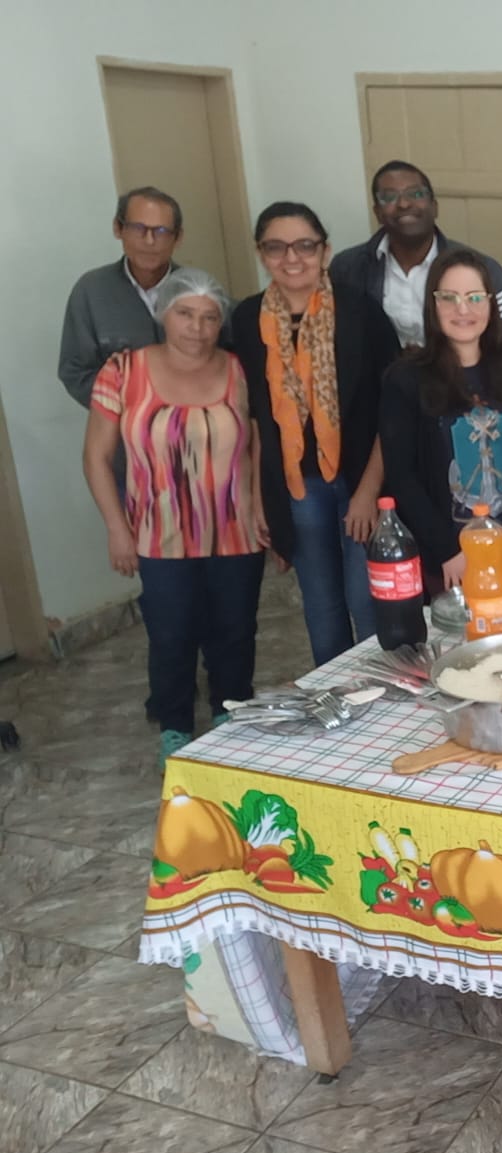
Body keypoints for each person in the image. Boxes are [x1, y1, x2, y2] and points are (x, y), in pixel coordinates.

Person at [81, 268, 263, 766]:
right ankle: (176, 728)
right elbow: (96, 457)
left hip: (234, 529)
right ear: (164, 312)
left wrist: (261, 507)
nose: (197, 328)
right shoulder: (123, 371)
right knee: (171, 634)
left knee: (234, 630)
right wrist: (117, 529)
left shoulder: (237, 369)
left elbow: (255, 442)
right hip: (158, 534)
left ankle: (231, 716)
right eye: (186, 313)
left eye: (209, 317)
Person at [232, 202, 400, 666]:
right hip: (296, 485)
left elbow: (392, 412)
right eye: (276, 247)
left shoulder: (361, 313)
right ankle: (338, 702)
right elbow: (255, 419)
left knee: (365, 599)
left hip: (360, 479)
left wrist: (369, 492)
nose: (292, 257)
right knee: (321, 605)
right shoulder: (247, 321)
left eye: (304, 245)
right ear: (262, 253)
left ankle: (378, 699)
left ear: (324, 250)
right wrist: (259, 497)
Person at [378, 248, 502, 594]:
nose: (463, 309)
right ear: (433, 306)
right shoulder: (405, 379)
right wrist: (448, 550)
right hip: (450, 550)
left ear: (491, 305)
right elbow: (402, 477)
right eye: (450, 298)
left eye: (475, 297)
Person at [329, 160, 502, 372]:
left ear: (435, 207)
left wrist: (438, 364)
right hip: (378, 396)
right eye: (389, 197)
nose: (404, 204)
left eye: (416, 194)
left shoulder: (481, 269)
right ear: (378, 212)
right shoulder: (347, 268)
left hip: (459, 393)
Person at [59, 186, 184, 407]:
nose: (149, 241)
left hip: (195, 427)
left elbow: (230, 361)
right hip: (123, 430)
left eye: (161, 231)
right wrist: (133, 404)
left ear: (178, 237)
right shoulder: (91, 290)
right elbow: (75, 371)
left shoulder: (198, 290)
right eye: (138, 228)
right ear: (118, 228)